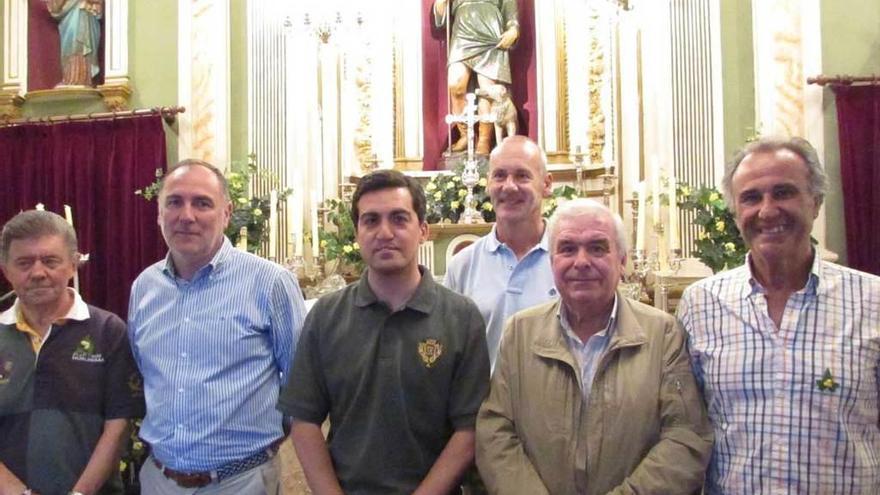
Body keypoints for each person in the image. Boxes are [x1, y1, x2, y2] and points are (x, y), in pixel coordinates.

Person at [677, 136, 880, 494]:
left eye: (783, 192)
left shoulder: (872, 302)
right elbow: (687, 429)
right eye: (751, 198)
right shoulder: (700, 305)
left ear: (815, 202)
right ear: (735, 211)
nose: (767, 211)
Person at [476, 198, 713, 494]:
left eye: (598, 248)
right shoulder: (520, 333)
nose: (582, 261)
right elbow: (495, 431)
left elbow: (685, 437)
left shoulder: (662, 334)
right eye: (567, 249)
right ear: (551, 262)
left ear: (622, 260)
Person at [279, 169, 490, 494]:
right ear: (357, 232)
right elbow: (304, 419)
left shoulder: (461, 317)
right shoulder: (326, 315)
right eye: (371, 220)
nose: (385, 232)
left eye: (399, 219)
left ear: (423, 231)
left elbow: (469, 429)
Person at [128, 159, 306, 493]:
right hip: (159, 480)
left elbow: (301, 383)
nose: (187, 216)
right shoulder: (144, 287)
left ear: (226, 213)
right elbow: (145, 371)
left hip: (240, 481)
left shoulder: (270, 283)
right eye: (175, 202)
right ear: (159, 213)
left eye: (202, 203)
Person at [0, 210, 144, 495]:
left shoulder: (108, 331)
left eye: (50, 261)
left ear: (73, 264)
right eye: (24, 263)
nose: (38, 272)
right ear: (6, 269)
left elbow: (118, 424)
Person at [445, 135, 556, 370]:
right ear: (487, 184)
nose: (509, 186)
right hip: (483, 405)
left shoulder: (567, 261)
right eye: (499, 175)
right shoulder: (462, 266)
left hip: (555, 404)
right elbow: (449, 351)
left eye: (522, 175)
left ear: (546, 184)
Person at [433, 0, 519, 154]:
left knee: (487, 88)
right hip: (462, 31)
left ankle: (484, 140)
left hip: (491, 30)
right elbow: (440, 18)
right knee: (455, 84)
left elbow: (509, 4)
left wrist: (513, 28)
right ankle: (466, 134)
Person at [45, 0, 103, 86]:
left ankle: (83, 79)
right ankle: (70, 78)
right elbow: (55, 6)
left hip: (85, 12)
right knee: (71, 45)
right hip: (69, 15)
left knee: (82, 46)